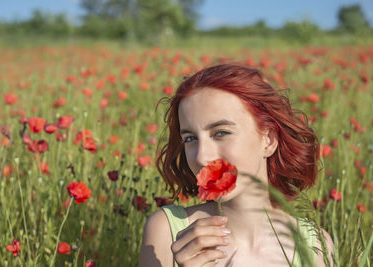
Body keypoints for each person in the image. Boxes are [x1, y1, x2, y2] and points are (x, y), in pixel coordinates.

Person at [139, 64, 334, 267]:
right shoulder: (169, 233)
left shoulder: (316, 247)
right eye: (190, 138)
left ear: (269, 141)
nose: (201, 157)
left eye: (221, 133)